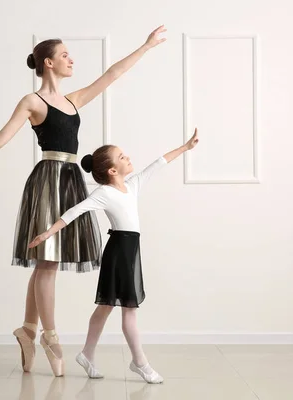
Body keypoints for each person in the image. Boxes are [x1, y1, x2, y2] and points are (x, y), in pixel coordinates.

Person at [0, 26, 167, 377]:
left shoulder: (73, 100)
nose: (71, 59)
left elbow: (112, 74)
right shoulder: (32, 102)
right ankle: (50, 336)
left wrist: (146, 47)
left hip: (72, 180)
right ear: (48, 62)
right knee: (48, 263)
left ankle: (28, 330)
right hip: (47, 182)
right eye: (64, 55)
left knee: (47, 261)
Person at [28, 128, 200, 383]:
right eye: (121, 157)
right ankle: (140, 362)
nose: (127, 157)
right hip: (119, 251)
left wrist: (185, 147)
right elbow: (75, 211)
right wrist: (47, 233)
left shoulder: (133, 185)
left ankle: (86, 354)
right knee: (128, 309)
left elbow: (159, 163)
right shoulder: (104, 194)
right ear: (112, 171)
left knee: (106, 306)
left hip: (130, 250)